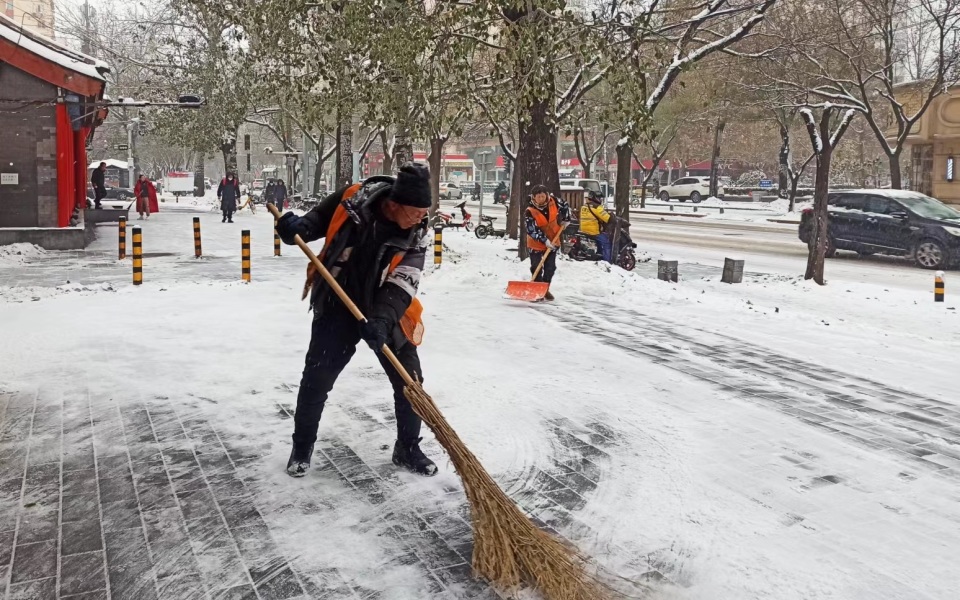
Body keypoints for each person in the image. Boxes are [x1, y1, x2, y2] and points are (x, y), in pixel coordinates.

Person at [274, 163, 436, 478]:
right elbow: (319, 220)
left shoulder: (418, 232)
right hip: (338, 299)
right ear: (393, 204)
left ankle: (408, 448)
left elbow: (404, 281)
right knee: (316, 379)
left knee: (409, 381)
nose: (422, 218)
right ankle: (301, 448)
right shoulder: (354, 199)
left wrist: (381, 319)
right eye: (416, 211)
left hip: (388, 308)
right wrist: (297, 229)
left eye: (424, 212)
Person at [524, 184, 571, 301]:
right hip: (536, 242)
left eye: (543, 196)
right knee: (536, 267)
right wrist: (544, 240)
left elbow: (565, 205)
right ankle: (537, 290)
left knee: (550, 268)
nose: (541, 199)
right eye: (538, 197)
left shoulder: (554, 201)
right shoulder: (530, 211)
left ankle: (544, 288)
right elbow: (531, 229)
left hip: (554, 239)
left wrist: (566, 219)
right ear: (534, 197)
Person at [579, 192, 612, 262]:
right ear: (595, 198)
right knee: (606, 242)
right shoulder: (597, 207)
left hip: (584, 229)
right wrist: (612, 217)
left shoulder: (584, 206)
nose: (601, 200)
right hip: (593, 231)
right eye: (600, 198)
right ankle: (608, 261)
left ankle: (599, 254)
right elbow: (607, 218)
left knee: (600, 240)